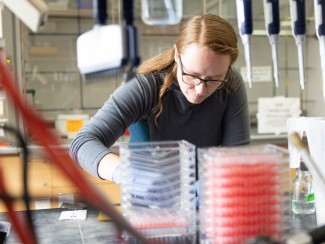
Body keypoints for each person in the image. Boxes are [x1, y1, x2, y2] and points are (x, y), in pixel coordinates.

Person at [70, 13, 251, 186]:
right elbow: (83, 143)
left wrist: (213, 186)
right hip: (148, 203)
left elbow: (235, 157)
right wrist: (126, 175)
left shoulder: (231, 83)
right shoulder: (145, 85)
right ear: (177, 56)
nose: (200, 89)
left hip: (205, 201)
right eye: (192, 75)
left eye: (213, 79)